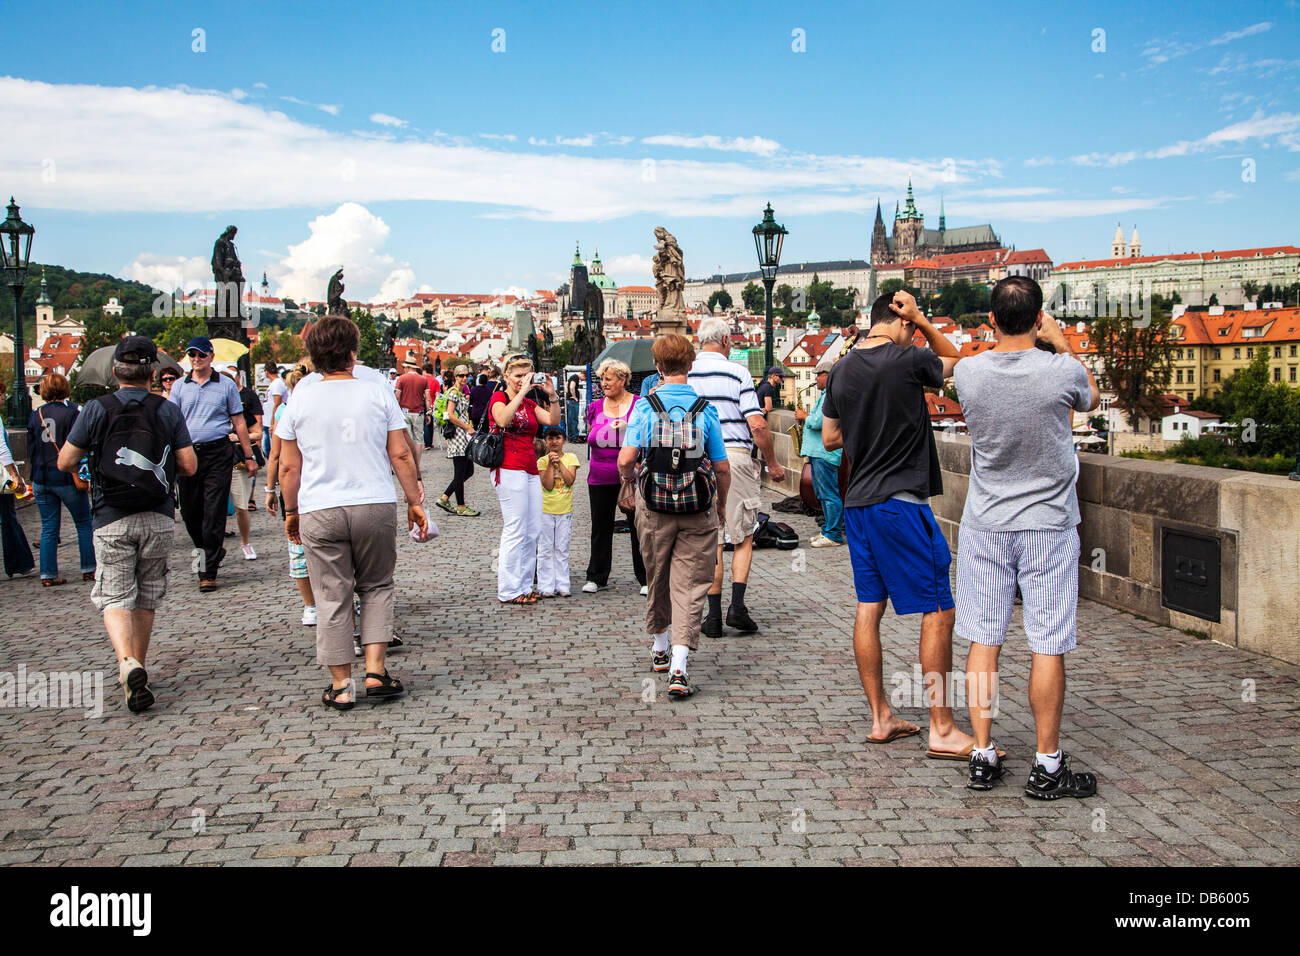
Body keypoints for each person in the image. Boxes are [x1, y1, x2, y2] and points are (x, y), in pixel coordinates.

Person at [954, 276, 1101, 797]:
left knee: (984, 640)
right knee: (1047, 642)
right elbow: (1092, 399)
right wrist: (1061, 342)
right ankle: (1046, 764)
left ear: (991, 320)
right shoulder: (1061, 369)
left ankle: (983, 753)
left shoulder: (969, 373)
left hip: (986, 523)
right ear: (1039, 318)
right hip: (1048, 523)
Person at [821, 290, 974, 756]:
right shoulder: (906, 359)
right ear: (900, 319)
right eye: (909, 322)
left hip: (859, 505)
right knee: (938, 608)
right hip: (901, 503)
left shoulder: (843, 367)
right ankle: (942, 728)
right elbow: (955, 360)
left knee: (870, 607)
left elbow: (829, 437)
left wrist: (867, 422)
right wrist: (924, 320)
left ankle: (881, 716)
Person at [276, 316, 426, 710]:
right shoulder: (376, 393)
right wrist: (414, 501)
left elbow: (289, 467)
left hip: (319, 507)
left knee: (331, 595)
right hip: (373, 501)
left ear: (313, 354)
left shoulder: (301, 398)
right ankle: (376, 672)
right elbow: (400, 453)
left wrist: (290, 510)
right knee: (376, 585)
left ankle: (341, 684)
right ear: (353, 351)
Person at [57, 336, 197, 712]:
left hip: (111, 515)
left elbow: (65, 462)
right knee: (148, 594)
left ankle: (126, 663)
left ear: (115, 371)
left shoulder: (96, 408)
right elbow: (188, 466)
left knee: (116, 594)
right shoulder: (167, 410)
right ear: (153, 372)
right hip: (158, 514)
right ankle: (140, 667)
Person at [618, 333, 731, 699]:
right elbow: (723, 467)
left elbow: (625, 459)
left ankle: (661, 645)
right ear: (691, 364)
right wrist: (721, 503)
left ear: (657, 366)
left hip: (653, 506)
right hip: (698, 506)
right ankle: (680, 666)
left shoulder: (644, 406)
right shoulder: (705, 408)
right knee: (692, 584)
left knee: (657, 575)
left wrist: (628, 482)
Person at [687, 317, 785, 635]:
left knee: (712, 537)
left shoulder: (687, 372)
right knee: (742, 535)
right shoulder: (737, 372)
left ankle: (712, 617)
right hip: (735, 457)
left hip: (698, 459)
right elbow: (757, 425)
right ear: (727, 341)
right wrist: (772, 463)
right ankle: (737, 608)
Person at [169, 336, 257, 592]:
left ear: (211, 356)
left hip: (218, 451)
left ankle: (207, 570)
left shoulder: (225, 385)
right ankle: (212, 550)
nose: (196, 359)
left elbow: (239, 422)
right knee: (190, 512)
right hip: (187, 453)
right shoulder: (179, 387)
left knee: (214, 509)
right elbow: (172, 422)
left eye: (201, 355)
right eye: (192, 355)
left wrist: (249, 456)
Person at [490, 353, 561, 605]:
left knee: (532, 530)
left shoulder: (530, 405)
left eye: (526, 375)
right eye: (518, 375)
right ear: (506, 376)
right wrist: (520, 392)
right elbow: (502, 420)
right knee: (515, 528)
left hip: (530, 467)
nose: (522, 380)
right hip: (508, 466)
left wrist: (551, 395)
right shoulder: (499, 397)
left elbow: (553, 420)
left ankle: (523, 585)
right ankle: (508, 588)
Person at [583, 358, 646, 595]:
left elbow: (648, 436)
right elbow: (591, 437)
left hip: (631, 476)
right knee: (600, 527)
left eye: (608, 379)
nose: (603, 384)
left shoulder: (638, 405)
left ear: (622, 379)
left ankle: (645, 577)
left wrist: (627, 428)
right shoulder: (595, 407)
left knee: (638, 528)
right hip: (599, 476)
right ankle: (597, 576)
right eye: (601, 379)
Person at [26, 373, 95, 585]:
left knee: (48, 527)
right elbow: (82, 444)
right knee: (84, 523)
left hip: (41, 477)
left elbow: (31, 448)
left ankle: (48, 574)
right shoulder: (74, 412)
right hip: (66, 476)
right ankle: (89, 569)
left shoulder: (36, 414)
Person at [796, 358, 843, 548]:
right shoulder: (826, 394)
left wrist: (804, 416)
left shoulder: (829, 395)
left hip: (824, 452)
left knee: (829, 494)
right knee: (823, 494)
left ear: (828, 376)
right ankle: (827, 530)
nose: (816, 379)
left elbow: (817, 422)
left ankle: (833, 534)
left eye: (819, 375)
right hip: (819, 452)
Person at [537, 426, 579, 597]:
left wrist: (559, 463)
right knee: (545, 549)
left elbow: (570, 480)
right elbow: (547, 485)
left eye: (558, 438)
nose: (554, 442)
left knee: (562, 549)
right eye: (550, 439)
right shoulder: (541, 461)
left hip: (564, 510)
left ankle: (563, 583)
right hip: (545, 510)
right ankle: (545, 585)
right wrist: (549, 464)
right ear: (546, 441)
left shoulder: (571, 458)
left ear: (564, 440)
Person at [433, 366, 479, 517]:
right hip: (458, 436)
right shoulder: (454, 392)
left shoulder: (460, 392)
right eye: (461, 376)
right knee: (460, 472)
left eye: (467, 375)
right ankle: (461, 506)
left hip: (463, 436)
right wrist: (467, 427)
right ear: (455, 376)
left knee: (468, 471)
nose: (464, 378)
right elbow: (450, 415)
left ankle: (445, 498)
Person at [1, 389, 35, 578]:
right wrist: (15, 475)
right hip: (2, 480)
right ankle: (19, 561)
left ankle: (19, 561)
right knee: (8, 517)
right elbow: (2, 449)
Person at [394, 360, 430, 468]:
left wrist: (396, 411)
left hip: (405, 412)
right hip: (418, 412)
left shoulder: (401, 378)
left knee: (407, 439)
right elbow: (428, 398)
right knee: (419, 439)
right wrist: (429, 413)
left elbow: (397, 396)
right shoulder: (423, 379)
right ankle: (416, 465)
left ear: (407, 367)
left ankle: (410, 465)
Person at [262, 364, 287, 457]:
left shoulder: (277, 383)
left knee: (270, 450)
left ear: (266, 372)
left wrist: (273, 422)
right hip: (267, 420)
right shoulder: (274, 383)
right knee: (267, 450)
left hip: (271, 421)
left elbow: (277, 403)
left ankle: (275, 470)